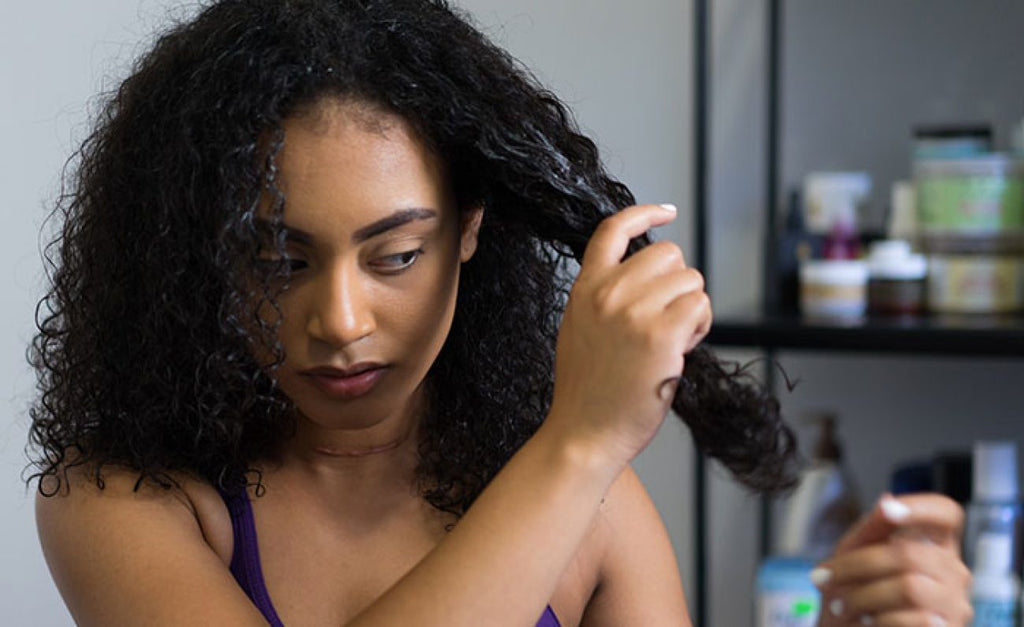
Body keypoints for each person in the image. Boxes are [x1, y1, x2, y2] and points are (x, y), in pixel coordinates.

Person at [29, 1, 971, 625]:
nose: (342, 318)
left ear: (470, 229)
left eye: (396, 254)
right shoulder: (126, 501)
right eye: (280, 260)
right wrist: (578, 442)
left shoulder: (598, 511)